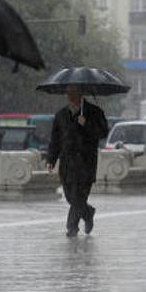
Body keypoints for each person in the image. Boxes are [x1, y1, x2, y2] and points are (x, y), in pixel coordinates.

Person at [45, 86, 109, 237]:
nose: (70, 97)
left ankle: (71, 227)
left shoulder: (94, 112)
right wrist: (51, 159)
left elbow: (103, 132)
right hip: (67, 163)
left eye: (74, 93)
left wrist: (86, 124)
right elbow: (55, 140)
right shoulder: (61, 115)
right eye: (68, 93)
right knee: (70, 196)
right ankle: (88, 213)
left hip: (86, 163)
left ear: (81, 94)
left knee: (79, 196)